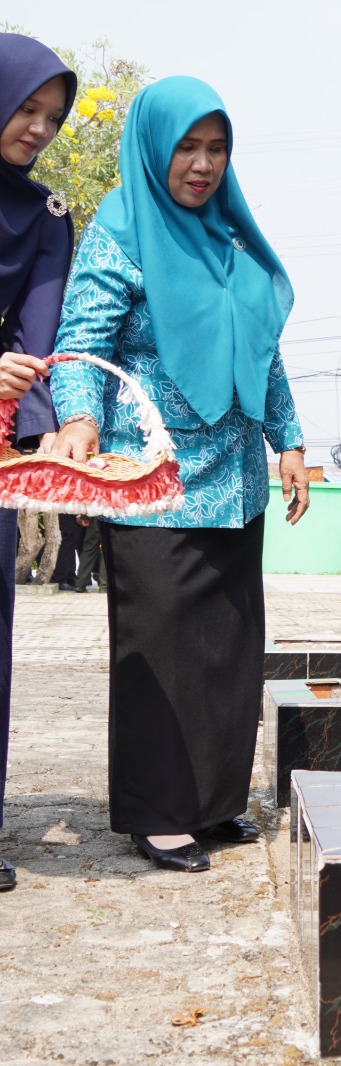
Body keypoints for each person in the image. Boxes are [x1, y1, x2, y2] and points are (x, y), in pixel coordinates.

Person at [51, 77, 310, 874]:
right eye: (186, 149)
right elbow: (82, 337)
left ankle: (215, 801)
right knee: (159, 650)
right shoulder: (121, 230)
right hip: (153, 480)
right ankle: (158, 812)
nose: (201, 165)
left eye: (216, 148)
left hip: (233, 483)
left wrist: (289, 439)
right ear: (154, 149)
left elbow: (261, 350)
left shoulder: (230, 239)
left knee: (226, 650)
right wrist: (79, 420)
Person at [0, 31, 75, 892]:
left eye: (51, 118)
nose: (39, 129)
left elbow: (40, 340)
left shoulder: (45, 215)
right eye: (26, 108)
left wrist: (47, 437)